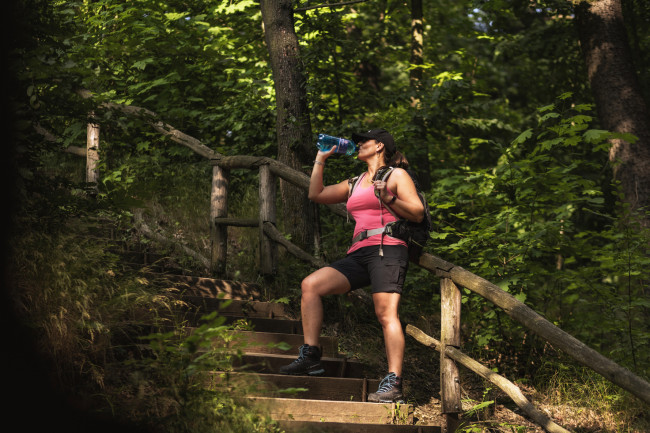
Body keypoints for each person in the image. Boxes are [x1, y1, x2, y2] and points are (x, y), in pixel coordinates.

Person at [279, 128, 424, 403]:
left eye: (363, 142)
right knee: (311, 285)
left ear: (379, 146)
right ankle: (311, 357)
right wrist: (321, 158)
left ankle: (393, 383)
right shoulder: (356, 182)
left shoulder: (396, 175)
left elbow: (417, 212)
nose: (356, 145)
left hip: (388, 249)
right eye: (356, 142)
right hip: (358, 253)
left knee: (385, 314)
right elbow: (316, 194)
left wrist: (389, 198)